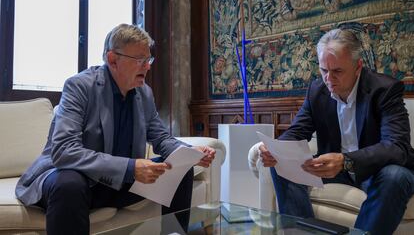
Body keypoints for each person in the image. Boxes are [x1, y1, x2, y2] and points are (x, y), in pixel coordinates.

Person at [15, 24, 216, 235]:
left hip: (117, 181)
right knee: (69, 184)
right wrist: (130, 168)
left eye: (148, 60)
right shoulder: (79, 86)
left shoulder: (144, 93)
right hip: (77, 179)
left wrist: (189, 154)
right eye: (140, 60)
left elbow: (161, 138)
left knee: (179, 169)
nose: (147, 67)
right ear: (113, 59)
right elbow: (64, 150)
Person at [259, 28, 414, 235]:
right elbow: (297, 132)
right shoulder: (317, 90)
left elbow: (397, 147)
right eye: (324, 70)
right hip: (335, 169)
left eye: (338, 71)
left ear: (358, 66)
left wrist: (346, 160)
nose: (329, 79)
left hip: (374, 170)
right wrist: (274, 149)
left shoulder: (384, 89)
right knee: (281, 164)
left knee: (396, 176)